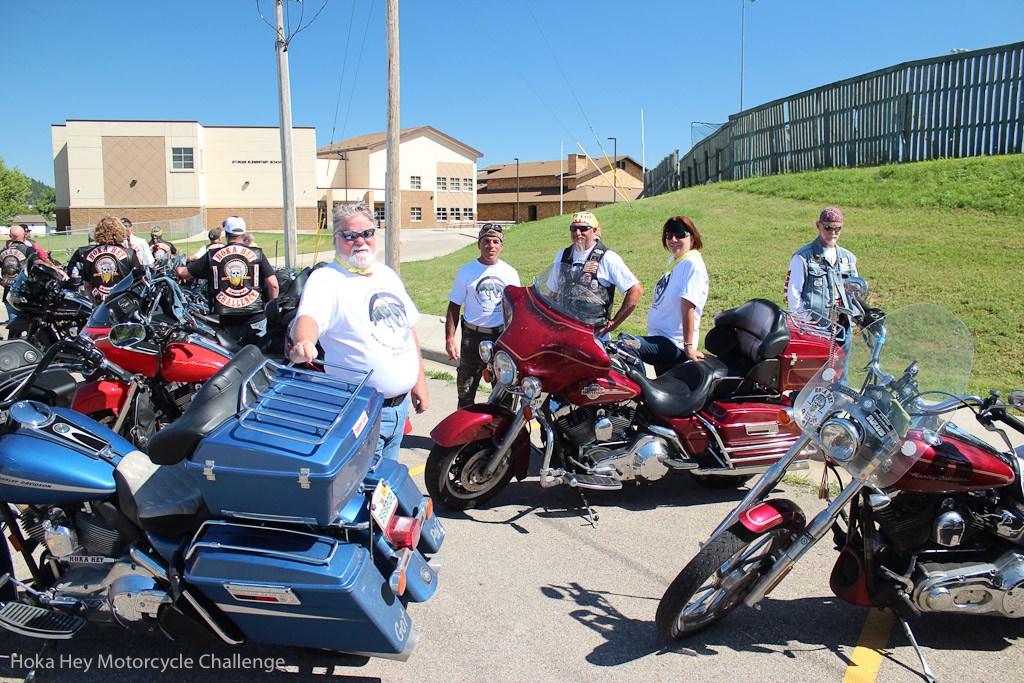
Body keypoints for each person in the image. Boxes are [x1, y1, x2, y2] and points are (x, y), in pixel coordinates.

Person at [289, 202, 428, 461]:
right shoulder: (326, 279)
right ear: (336, 239)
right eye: (350, 235)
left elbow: (407, 329)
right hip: (360, 411)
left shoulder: (386, 275)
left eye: (367, 233)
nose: (360, 241)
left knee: (385, 488)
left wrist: (419, 381)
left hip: (399, 409)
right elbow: (309, 318)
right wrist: (305, 341)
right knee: (362, 491)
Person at [445, 224, 521, 407]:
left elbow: (517, 308)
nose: (491, 246)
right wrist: (450, 339)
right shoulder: (466, 272)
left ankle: (501, 434)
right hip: (473, 338)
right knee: (466, 389)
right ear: (479, 245)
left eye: (496, 242)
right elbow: (454, 307)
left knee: (503, 392)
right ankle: (466, 433)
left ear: (501, 246)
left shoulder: (510, 273)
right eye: (486, 241)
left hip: (500, 338)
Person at [177, 216, 278, 345]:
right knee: (256, 359)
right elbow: (273, 285)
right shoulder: (257, 254)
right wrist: (270, 306)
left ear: (226, 234)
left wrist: (176, 270)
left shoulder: (212, 255)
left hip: (228, 320)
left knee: (231, 360)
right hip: (256, 318)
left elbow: (185, 273)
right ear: (244, 234)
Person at [547, 211, 643, 338]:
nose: (577, 233)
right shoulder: (562, 255)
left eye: (583, 229)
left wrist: (613, 323)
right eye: (573, 229)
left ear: (594, 230)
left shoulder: (607, 257)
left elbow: (636, 291)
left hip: (594, 336)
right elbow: (552, 293)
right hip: (565, 332)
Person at [638, 216, 709, 375]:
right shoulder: (676, 261)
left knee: (626, 347)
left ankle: (641, 395)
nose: (673, 239)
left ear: (692, 238)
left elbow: (688, 308)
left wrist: (688, 346)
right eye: (669, 236)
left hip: (672, 343)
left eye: (680, 235)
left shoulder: (693, 264)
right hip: (659, 337)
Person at [785, 207, 859, 341]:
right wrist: (809, 322)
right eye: (828, 228)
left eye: (838, 228)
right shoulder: (803, 257)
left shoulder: (849, 258)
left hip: (843, 326)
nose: (833, 232)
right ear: (818, 226)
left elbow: (855, 291)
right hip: (815, 329)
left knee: (841, 362)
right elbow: (792, 294)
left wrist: (856, 315)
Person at [80, 216, 140, 303]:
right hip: (123, 305)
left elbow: (87, 284)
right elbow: (138, 281)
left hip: (100, 305)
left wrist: (94, 302)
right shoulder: (129, 254)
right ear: (120, 231)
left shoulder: (88, 255)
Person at [1, 225, 41, 324]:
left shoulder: (3, 252)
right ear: (24, 235)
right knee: (32, 325)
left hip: (8, 293)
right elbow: (38, 265)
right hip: (26, 292)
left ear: (10, 236)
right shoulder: (29, 250)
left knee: (13, 324)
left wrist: (1, 281)